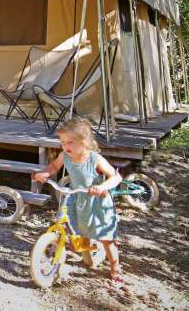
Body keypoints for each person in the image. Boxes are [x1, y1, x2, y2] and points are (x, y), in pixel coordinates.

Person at [32, 118, 125, 289]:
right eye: (62, 142)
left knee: (106, 238)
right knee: (76, 225)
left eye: (71, 142)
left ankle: (116, 271)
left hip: (97, 201)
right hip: (78, 198)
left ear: (86, 142)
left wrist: (102, 186)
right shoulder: (64, 156)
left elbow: (116, 177)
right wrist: (45, 173)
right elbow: (53, 166)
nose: (66, 146)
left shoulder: (95, 159)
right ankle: (82, 247)